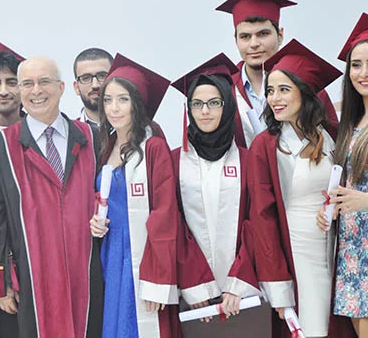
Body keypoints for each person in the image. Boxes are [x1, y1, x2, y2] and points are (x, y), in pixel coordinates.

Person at [0, 56, 103, 338]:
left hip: (88, 271)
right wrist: (1, 282)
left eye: (44, 82)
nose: (36, 91)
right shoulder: (2, 147)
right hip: (30, 278)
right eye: (27, 83)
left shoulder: (92, 138)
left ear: (61, 87)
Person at [248, 39, 348, 338]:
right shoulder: (266, 145)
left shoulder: (332, 136)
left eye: (283, 89)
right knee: (313, 326)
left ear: (305, 93)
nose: (274, 98)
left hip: (336, 250)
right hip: (297, 252)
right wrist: (278, 285)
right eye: (270, 90)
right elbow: (263, 218)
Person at [170, 53, 266, 336]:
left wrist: (239, 282)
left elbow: (256, 223)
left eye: (214, 102)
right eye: (197, 103)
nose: (205, 111)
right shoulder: (173, 161)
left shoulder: (248, 160)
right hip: (194, 296)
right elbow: (173, 225)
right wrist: (195, 283)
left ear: (228, 105)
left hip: (243, 294)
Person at [89, 54, 179, 337]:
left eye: (123, 99)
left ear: (137, 104)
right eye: (108, 100)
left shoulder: (153, 148)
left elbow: (165, 215)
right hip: (111, 253)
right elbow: (102, 197)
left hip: (142, 257)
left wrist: (158, 280)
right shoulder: (105, 146)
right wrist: (94, 220)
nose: (113, 108)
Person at [216, 0, 338, 148]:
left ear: (280, 36)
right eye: (245, 36)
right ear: (236, 40)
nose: (254, 44)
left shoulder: (307, 85)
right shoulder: (223, 90)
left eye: (263, 34)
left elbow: (333, 143)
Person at [323, 12, 368, 337]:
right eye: (356, 65)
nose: (364, 73)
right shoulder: (351, 120)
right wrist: (332, 206)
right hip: (354, 247)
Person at [73, 48, 113, 128]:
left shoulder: (136, 131)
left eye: (102, 76)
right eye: (86, 78)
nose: (95, 85)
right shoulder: (68, 133)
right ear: (76, 87)